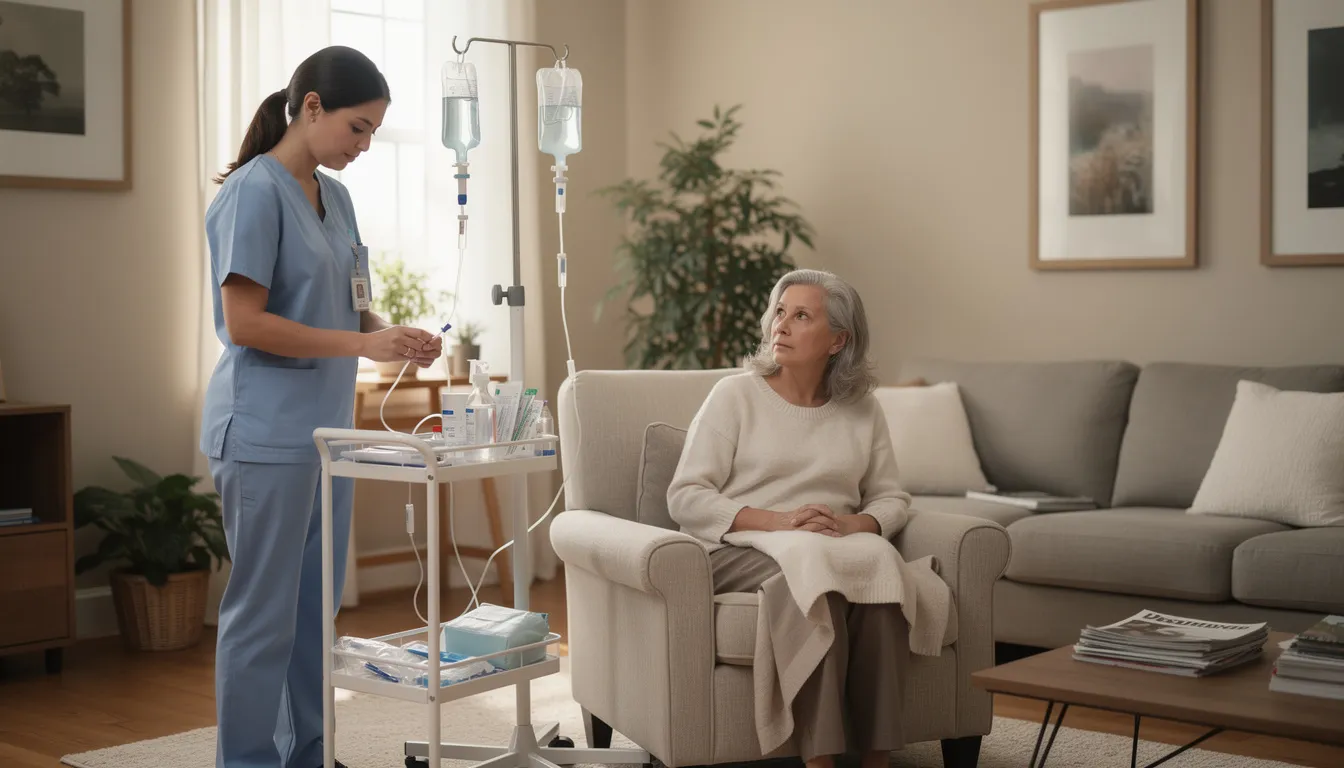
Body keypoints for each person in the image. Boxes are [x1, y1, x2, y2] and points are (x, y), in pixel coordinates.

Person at [200, 46, 442, 768]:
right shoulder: (252, 192)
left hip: (324, 435)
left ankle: (310, 751)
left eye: (371, 132)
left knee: (313, 615)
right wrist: (359, 346)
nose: (364, 147)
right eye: (358, 129)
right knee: (262, 616)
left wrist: (392, 337)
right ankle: (245, 761)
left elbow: (355, 309)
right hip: (265, 432)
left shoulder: (335, 198)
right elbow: (244, 322)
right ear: (311, 109)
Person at [667, 268, 914, 768]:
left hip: (828, 544)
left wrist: (852, 525)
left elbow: (892, 499)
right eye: (780, 312)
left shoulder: (862, 409)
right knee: (811, 573)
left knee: (881, 570)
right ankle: (819, 759)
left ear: (838, 340)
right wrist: (775, 522)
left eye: (801, 316)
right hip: (739, 548)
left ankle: (877, 758)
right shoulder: (734, 396)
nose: (780, 324)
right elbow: (686, 496)